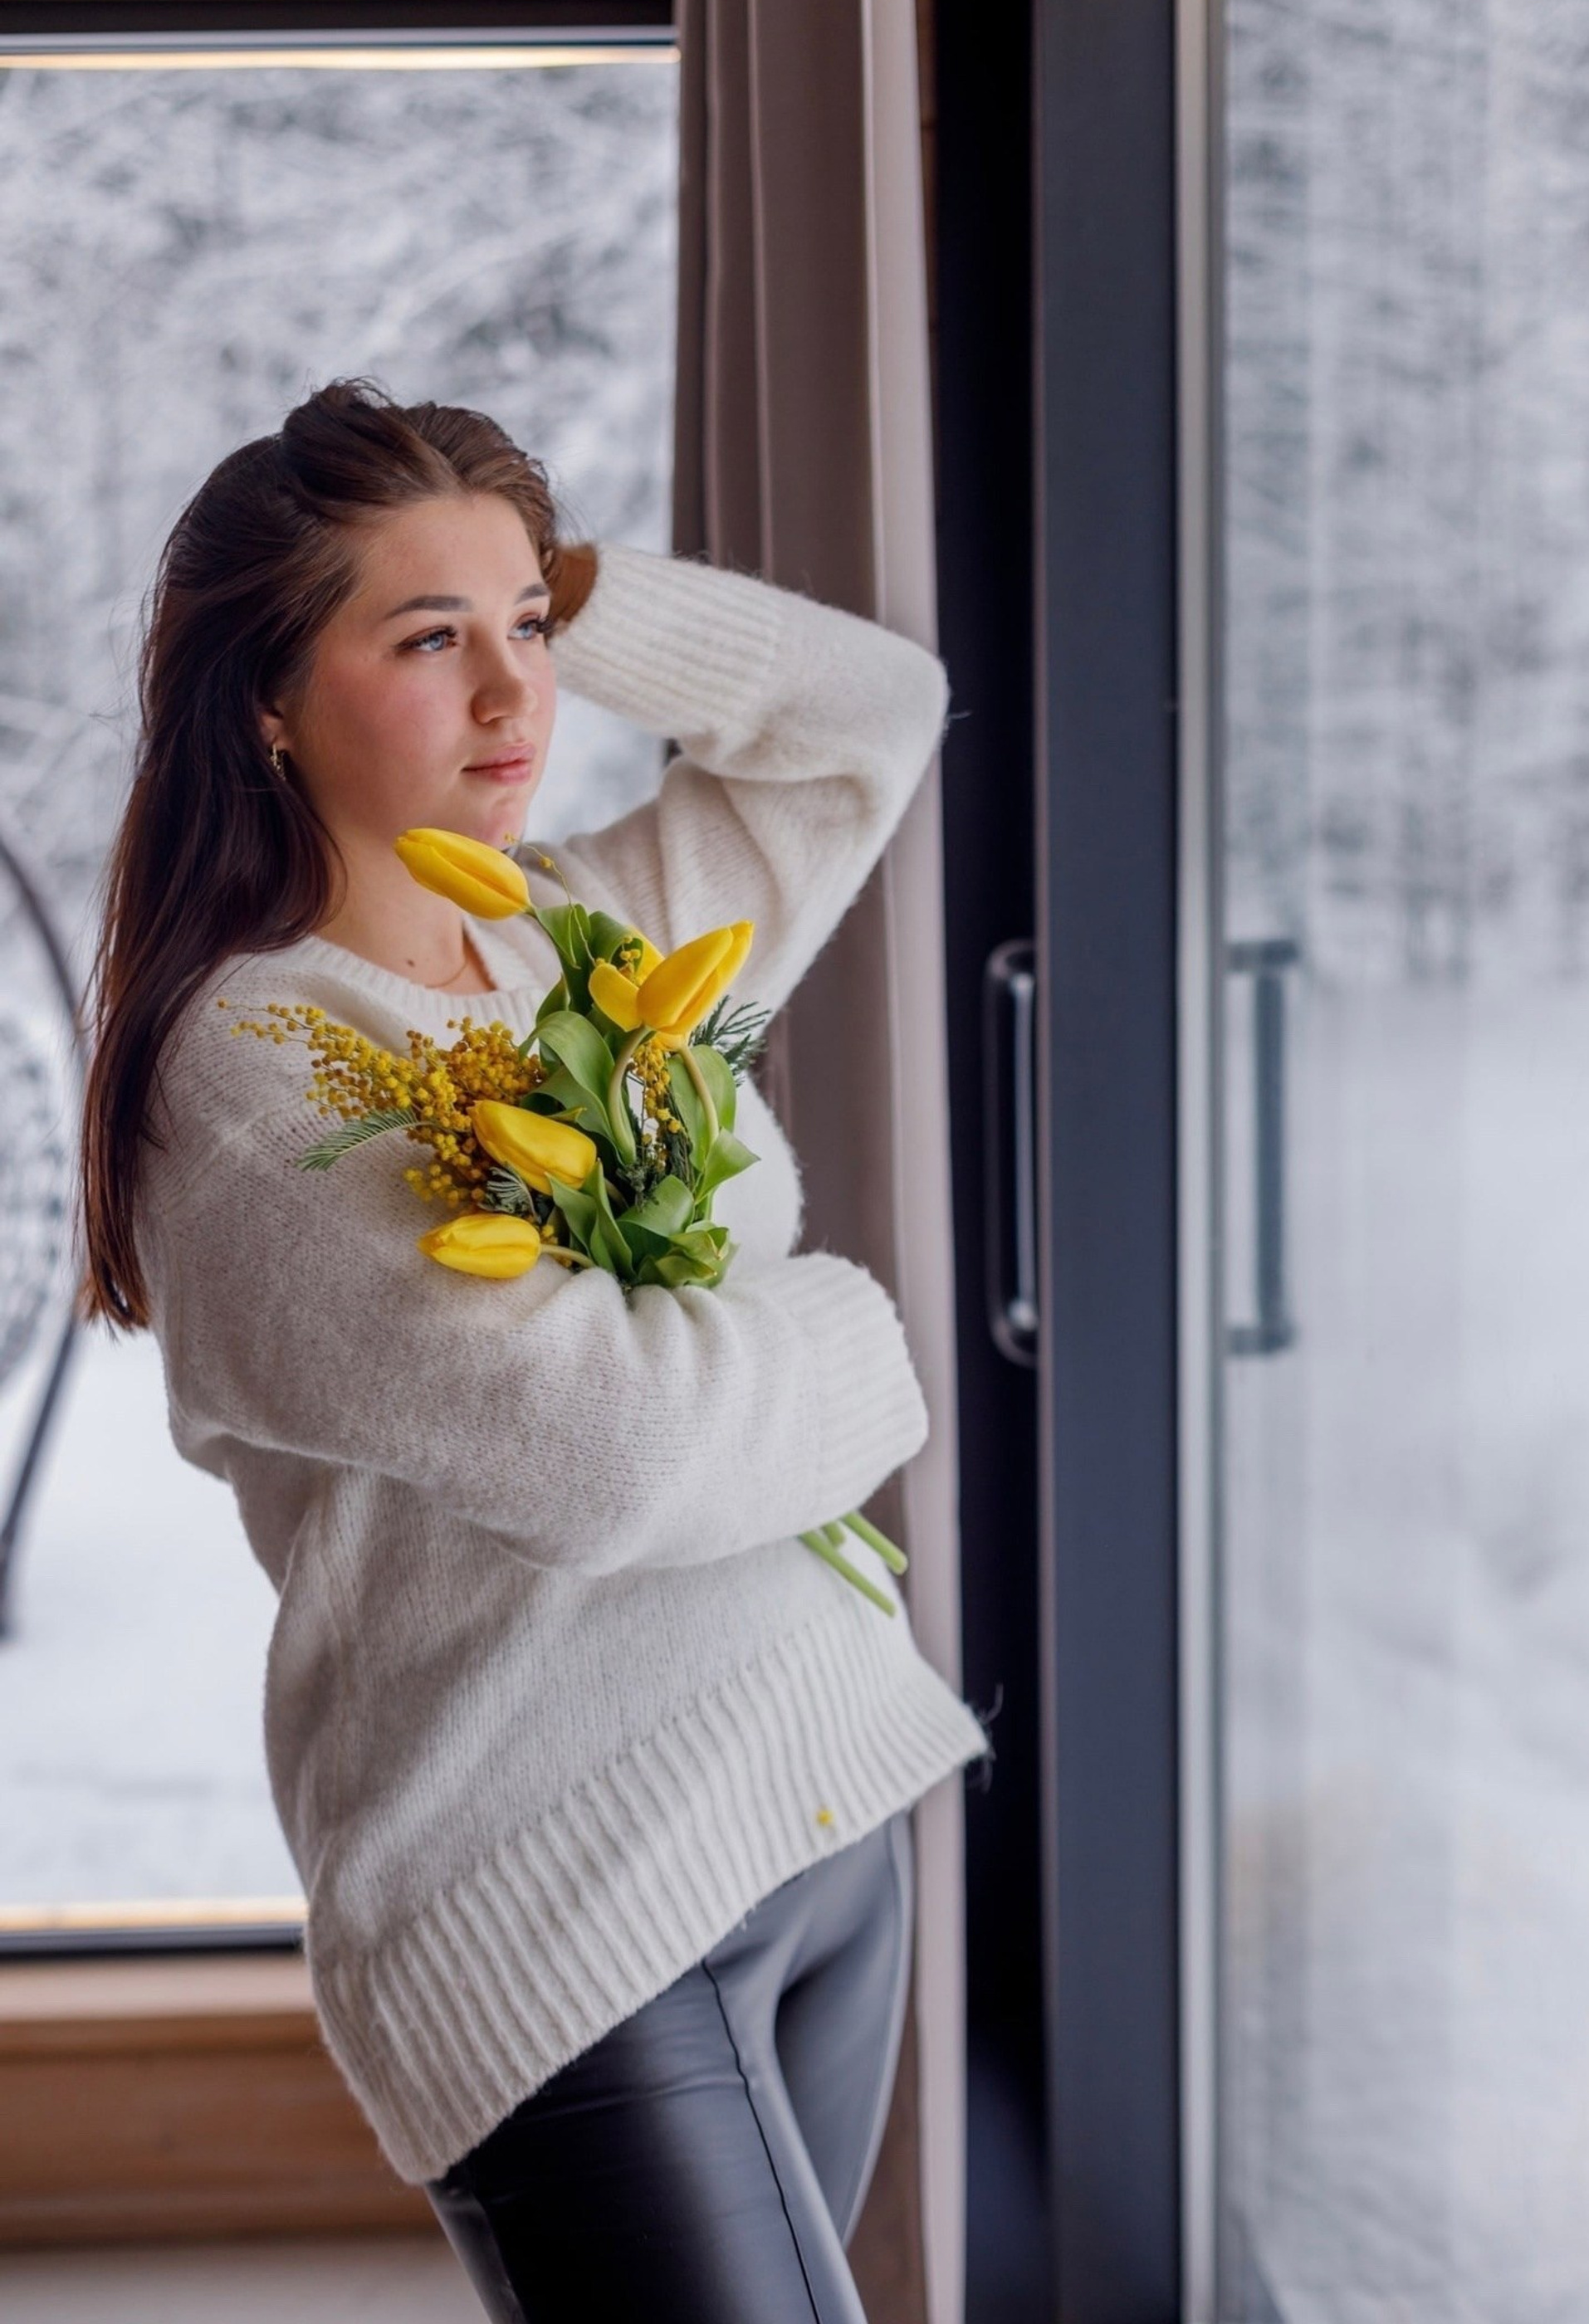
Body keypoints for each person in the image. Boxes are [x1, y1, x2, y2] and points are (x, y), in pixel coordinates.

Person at [76, 378, 989, 2322]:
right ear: (266, 698)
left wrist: (562, 569)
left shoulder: (573, 937)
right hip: (561, 1903)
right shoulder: (253, 1071)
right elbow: (624, 1457)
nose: (516, 700)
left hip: (814, 1816)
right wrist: (865, 1341)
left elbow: (870, 725)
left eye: (533, 641)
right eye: (428, 642)